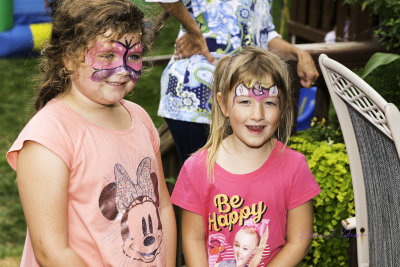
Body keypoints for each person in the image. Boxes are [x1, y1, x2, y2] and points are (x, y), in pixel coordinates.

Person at [6, 0, 176, 266]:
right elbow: (52, 252)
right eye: (107, 56)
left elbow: (163, 208)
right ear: (68, 59)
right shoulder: (48, 138)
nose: (122, 69)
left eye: (133, 56)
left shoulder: (139, 118)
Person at [170, 47, 321, 266]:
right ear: (223, 104)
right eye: (244, 102)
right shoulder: (197, 168)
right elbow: (193, 238)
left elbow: (299, 241)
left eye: (269, 103)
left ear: (283, 106)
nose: (257, 115)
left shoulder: (295, 167)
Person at [146, 0, 319, 162]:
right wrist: (193, 30)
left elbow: (263, 35)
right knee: (204, 181)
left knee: (239, 182)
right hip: (195, 96)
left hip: (245, 102)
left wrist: (298, 53)